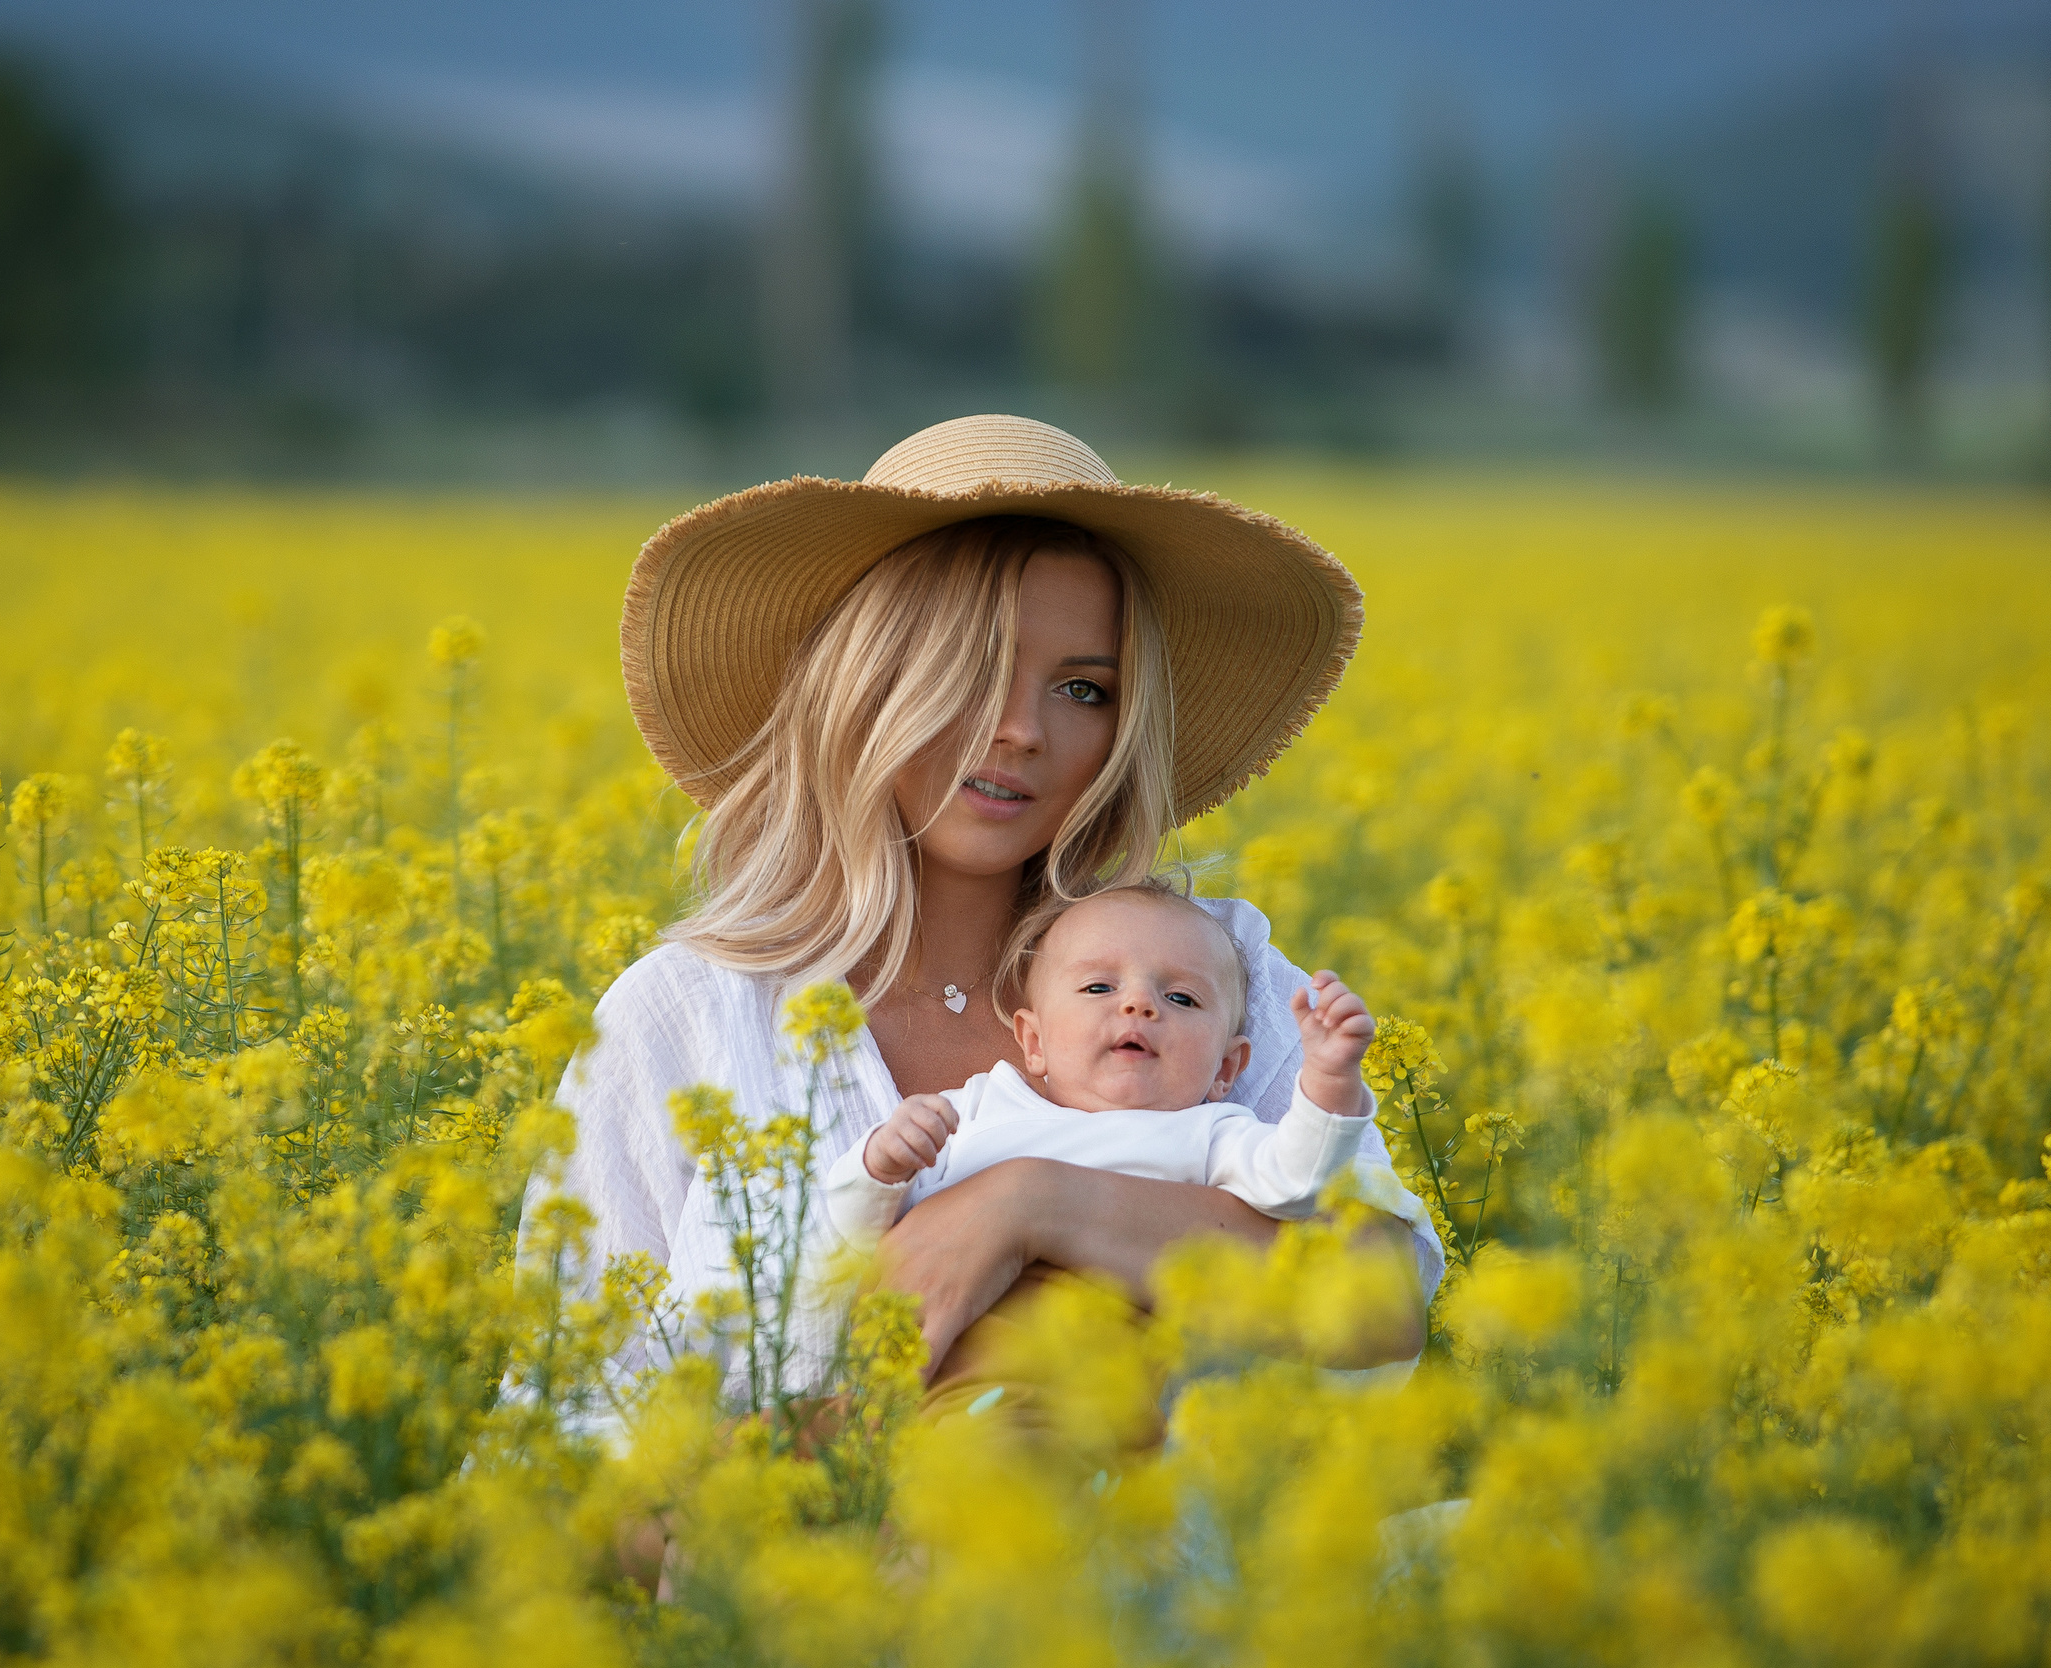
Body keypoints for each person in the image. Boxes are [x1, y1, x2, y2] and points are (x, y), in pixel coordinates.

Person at [521, 414, 1442, 1430]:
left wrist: (1028, 1207)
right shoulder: (686, 1016)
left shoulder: (1205, 971)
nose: (1021, 730)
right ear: (865, 680)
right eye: (972, 665)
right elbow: (560, 1436)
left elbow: (1381, 1298)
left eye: (1084, 688)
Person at [822, 879, 1425, 1245]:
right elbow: (857, 1237)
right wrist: (881, 1166)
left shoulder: (1214, 1134)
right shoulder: (977, 1107)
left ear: (1226, 1070)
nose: (1139, 1004)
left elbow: (1298, 1185)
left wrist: (1327, 1081)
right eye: (1098, 989)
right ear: (1032, 1043)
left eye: (1181, 998)